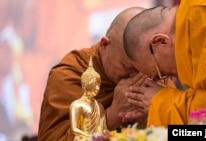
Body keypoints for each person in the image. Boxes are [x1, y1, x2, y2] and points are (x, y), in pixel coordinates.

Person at [38, 6, 172, 141]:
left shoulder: (154, 74)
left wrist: (159, 114)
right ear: (104, 45)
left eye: (143, 70)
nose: (136, 78)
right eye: (127, 67)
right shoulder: (70, 76)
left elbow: (188, 132)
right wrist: (112, 116)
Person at [122, 0, 206, 127]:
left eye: (162, 73)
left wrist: (160, 101)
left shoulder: (204, 17)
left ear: (161, 41)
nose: (174, 78)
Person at [70, 56, 107, 140]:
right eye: (94, 84)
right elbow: (74, 129)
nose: (97, 88)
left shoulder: (99, 106)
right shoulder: (77, 105)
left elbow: (104, 128)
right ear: (85, 85)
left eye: (99, 85)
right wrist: (91, 138)